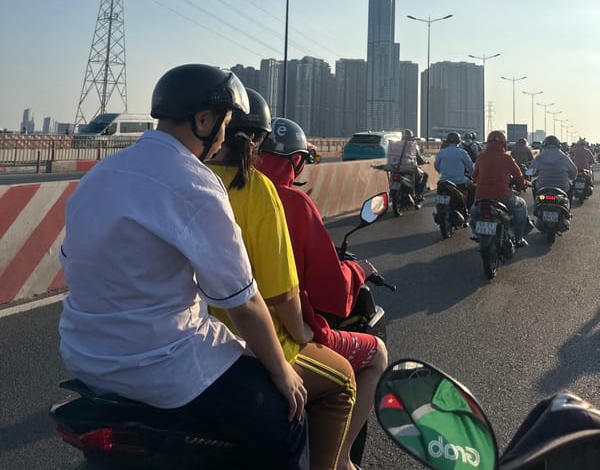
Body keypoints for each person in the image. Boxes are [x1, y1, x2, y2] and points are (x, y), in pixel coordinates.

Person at [58, 65, 309, 470]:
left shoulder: (100, 175)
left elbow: (73, 262)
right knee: (288, 419)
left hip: (83, 356)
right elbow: (243, 303)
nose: (225, 136)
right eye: (224, 124)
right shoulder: (194, 183)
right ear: (203, 120)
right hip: (163, 365)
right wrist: (282, 372)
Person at [209, 93, 356, 470]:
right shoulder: (260, 190)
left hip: (189, 341)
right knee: (344, 380)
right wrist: (301, 332)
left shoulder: (192, 181)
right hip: (252, 344)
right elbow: (282, 294)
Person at [258, 117, 389, 470]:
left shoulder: (223, 192)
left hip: (215, 334)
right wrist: (358, 270)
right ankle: (341, 459)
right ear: (296, 161)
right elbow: (331, 291)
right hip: (282, 336)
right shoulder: (291, 202)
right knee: (376, 354)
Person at [470, 129, 530, 247]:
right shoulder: (506, 158)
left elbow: (475, 176)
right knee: (521, 206)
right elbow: (518, 176)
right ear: (503, 143)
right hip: (503, 196)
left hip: (482, 196)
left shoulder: (481, 156)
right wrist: (524, 184)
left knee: (474, 212)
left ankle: (477, 233)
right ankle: (519, 238)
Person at [529, 135, 578, 201]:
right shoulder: (564, 157)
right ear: (558, 146)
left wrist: (537, 172)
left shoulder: (539, 157)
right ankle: (568, 206)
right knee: (570, 186)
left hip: (542, 187)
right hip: (562, 188)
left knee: (534, 183)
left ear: (544, 145)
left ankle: (536, 202)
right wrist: (571, 176)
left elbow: (530, 172)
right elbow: (574, 171)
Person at [434, 131, 475, 210]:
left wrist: (441, 172)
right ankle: (468, 210)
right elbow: (471, 167)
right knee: (473, 188)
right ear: (458, 142)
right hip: (459, 181)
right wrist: (472, 173)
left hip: (443, 181)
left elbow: (436, 166)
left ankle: (439, 210)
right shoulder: (462, 152)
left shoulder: (442, 152)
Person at [386, 129, 428, 204]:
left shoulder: (396, 146)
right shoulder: (413, 145)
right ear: (411, 137)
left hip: (396, 168)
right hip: (409, 168)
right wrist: (424, 161)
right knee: (424, 175)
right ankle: (419, 194)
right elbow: (419, 158)